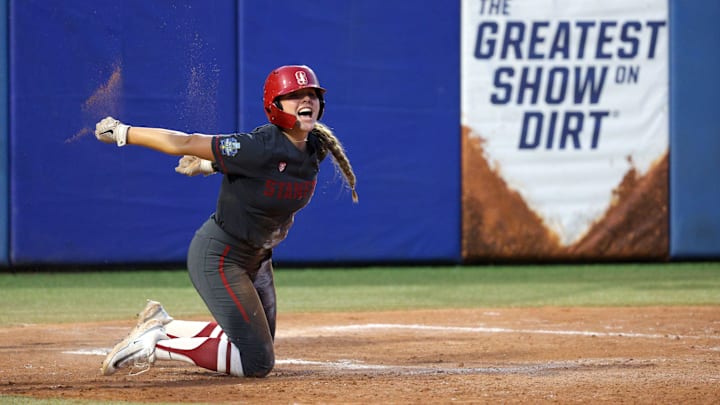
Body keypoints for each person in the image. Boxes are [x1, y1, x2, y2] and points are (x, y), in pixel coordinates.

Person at [96, 65, 358, 378]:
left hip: (257, 259)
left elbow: (269, 172)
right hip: (221, 257)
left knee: (257, 342)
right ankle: (156, 342)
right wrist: (125, 133)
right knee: (256, 362)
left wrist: (211, 166)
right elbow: (185, 142)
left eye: (312, 94)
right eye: (295, 95)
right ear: (275, 105)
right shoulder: (261, 144)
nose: (307, 99)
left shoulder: (316, 147)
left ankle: (166, 324)